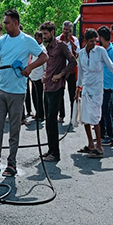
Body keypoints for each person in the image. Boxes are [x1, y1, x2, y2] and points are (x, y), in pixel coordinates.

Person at [0, 9, 47, 176]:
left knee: (14, 129)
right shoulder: (1, 41)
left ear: (16, 23)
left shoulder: (27, 40)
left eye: (7, 22)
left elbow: (44, 57)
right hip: (1, 90)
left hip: (17, 92)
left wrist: (29, 67)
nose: (5, 25)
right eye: (5, 22)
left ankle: (11, 164)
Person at [76, 28, 113, 158]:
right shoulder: (81, 53)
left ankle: (99, 146)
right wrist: (78, 87)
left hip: (98, 89)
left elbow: (111, 66)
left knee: (95, 118)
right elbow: (80, 72)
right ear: (85, 41)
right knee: (85, 118)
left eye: (95, 41)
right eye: (91, 41)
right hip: (86, 89)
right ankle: (90, 144)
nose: (94, 43)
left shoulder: (100, 51)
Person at [40, 21, 76, 162]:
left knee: (52, 121)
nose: (43, 36)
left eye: (45, 34)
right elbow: (48, 66)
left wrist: (61, 75)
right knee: (48, 122)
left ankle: (55, 153)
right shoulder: (47, 48)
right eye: (42, 34)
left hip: (56, 88)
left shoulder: (61, 46)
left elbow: (73, 61)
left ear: (52, 32)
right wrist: (45, 75)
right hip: (47, 87)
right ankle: (50, 149)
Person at [97, 26, 113, 146]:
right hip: (99, 84)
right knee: (100, 111)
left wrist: (112, 83)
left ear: (101, 37)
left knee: (105, 111)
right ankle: (101, 135)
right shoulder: (101, 50)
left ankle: (110, 136)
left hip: (107, 85)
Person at [59, 21, 80, 123]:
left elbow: (78, 52)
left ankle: (72, 116)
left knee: (72, 94)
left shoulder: (74, 40)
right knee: (60, 93)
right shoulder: (58, 39)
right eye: (64, 29)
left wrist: (70, 41)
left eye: (67, 30)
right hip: (61, 70)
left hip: (72, 71)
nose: (66, 32)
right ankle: (61, 115)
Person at [29, 31, 47, 122]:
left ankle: (41, 115)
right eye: (35, 38)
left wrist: (44, 74)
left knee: (39, 97)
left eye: (38, 38)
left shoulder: (42, 50)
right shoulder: (34, 48)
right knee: (34, 96)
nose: (36, 40)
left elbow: (45, 65)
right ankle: (37, 113)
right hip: (33, 75)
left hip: (39, 76)